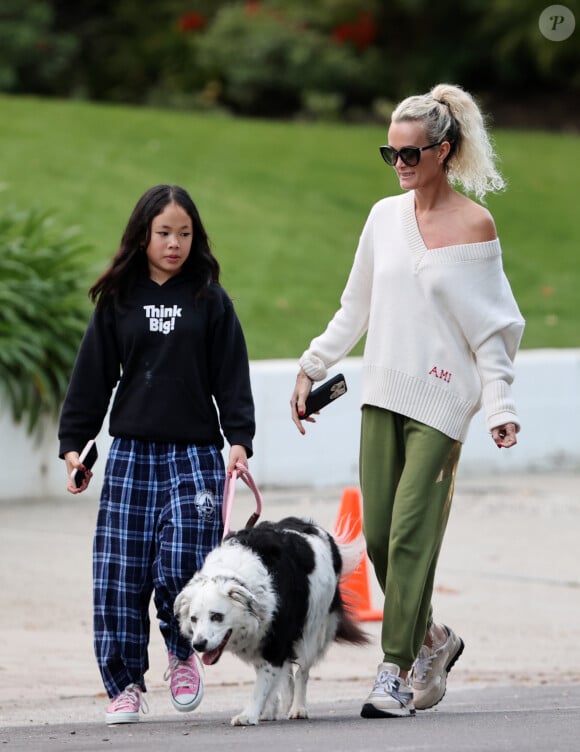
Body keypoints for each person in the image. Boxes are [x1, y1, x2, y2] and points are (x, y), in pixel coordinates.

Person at [290, 83, 524, 719]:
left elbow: (495, 329)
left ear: (443, 151)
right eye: (389, 154)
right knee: (384, 543)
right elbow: (355, 307)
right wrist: (313, 366)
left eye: (410, 155)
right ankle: (434, 641)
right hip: (382, 393)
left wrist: (500, 405)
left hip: (444, 404)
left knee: (414, 535)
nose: (399, 166)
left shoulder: (476, 225)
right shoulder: (381, 218)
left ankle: (391, 672)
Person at [58, 184, 255, 725]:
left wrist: (239, 440)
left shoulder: (210, 300)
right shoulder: (119, 300)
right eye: (164, 233)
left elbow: (231, 377)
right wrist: (74, 446)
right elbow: (92, 378)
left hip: (193, 455)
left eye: (185, 234)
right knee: (119, 574)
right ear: (143, 235)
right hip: (130, 456)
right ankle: (124, 685)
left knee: (184, 565)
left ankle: (183, 651)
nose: (174, 244)